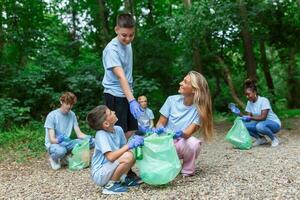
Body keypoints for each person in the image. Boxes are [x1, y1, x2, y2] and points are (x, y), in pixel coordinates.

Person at [154, 71, 214, 177]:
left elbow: (187, 134)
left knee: (193, 143)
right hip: (165, 142)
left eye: (185, 82)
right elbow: (160, 124)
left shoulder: (199, 110)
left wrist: (177, 133)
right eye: (183, 80)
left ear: (194, 89)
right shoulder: (171, 100)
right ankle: (169, 163)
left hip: (180, 143)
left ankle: (187, 169)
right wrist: (160, 130)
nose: (180, 83)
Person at [102, 13, 143, 139]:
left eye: (131, 35)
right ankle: (114, 156)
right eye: (124, 35)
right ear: (116, 29)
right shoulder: (111, 50)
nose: (128, 39)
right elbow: (121, 77)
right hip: (114, 95)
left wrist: (130, 97)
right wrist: (132, 101)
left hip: (127, 92)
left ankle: (122, 155)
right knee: (117, 132)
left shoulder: (127, 43)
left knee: (131, 130)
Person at [86, 105, 144, 195]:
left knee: (132, 153)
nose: (114, 112)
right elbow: (110, 157)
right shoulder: (101, 134)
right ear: (106, 124)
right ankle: (111, 185)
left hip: (110, 168)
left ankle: (124, 178)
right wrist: (129, 145)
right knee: (128, 156)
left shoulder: (118, 129)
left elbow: (124, 149)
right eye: (110, 113)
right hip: (100, 174)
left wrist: (135, 141)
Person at [44, 92, 95, 170]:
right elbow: (52, 140)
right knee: (61, 151)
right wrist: (59, 139)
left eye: (71, 104)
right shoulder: (52, 116)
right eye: (67, 103)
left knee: (92, 142)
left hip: (67, 143)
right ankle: (54, 159)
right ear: (61, 102)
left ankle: (64, 157)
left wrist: (89, 137)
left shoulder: (72, 114)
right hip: (55, 145)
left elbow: (79, 134)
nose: (69, 106)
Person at [229, 79, 281, 147]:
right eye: (246, 95)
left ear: (254, 92)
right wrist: (239, 113)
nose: (247, 97)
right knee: (242, 125)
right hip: (260, 124)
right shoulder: (249, 103)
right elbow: (248, 118)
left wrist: (249, 117)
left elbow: (263, 117)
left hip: (274, 124)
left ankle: (274, 139)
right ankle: (261, 139)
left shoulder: (263, 100)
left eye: (248, 94)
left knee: (259, 126)